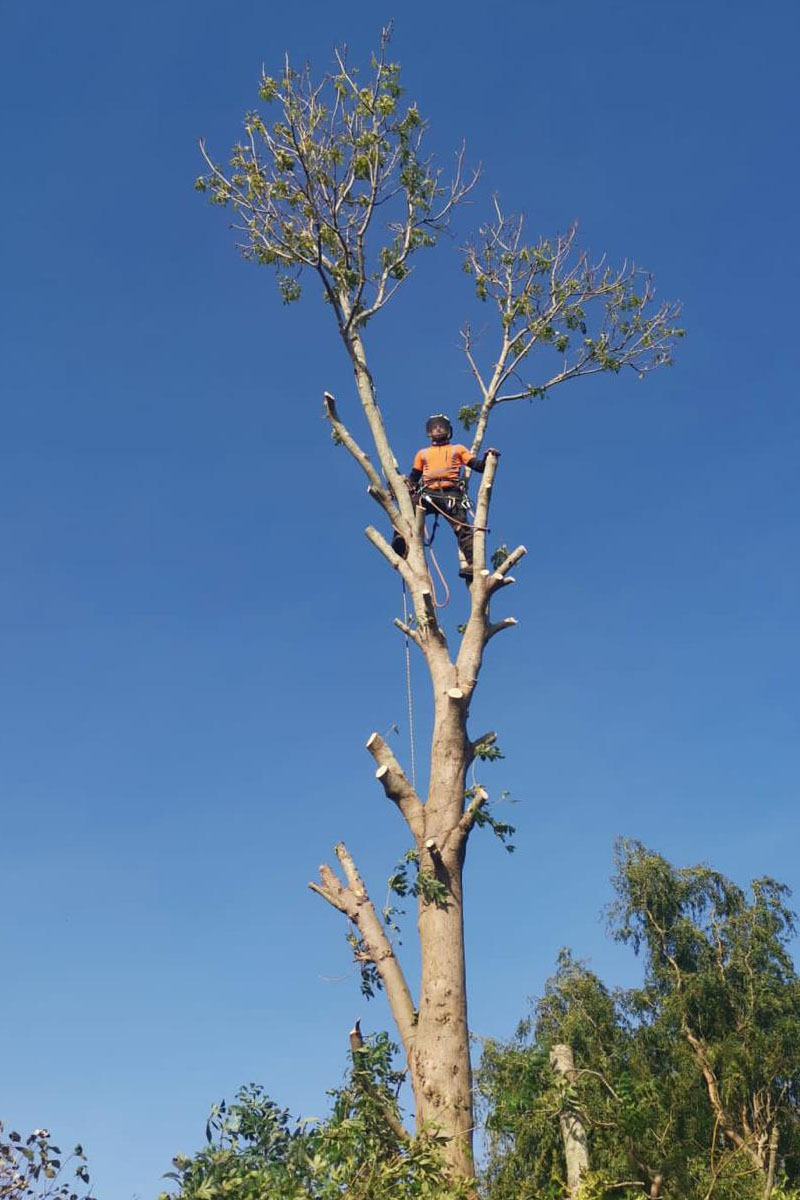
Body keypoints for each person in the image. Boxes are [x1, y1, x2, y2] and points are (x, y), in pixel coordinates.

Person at [392, 414, 500, 581]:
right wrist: (403, 487)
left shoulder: (458, 449)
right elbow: (414, 477)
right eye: (434, 427)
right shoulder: (423, 453)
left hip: (451, 493)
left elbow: (478, 466)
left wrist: (488, 457)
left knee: (462, 527)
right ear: (429, 432)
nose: (437, 430)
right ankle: (400, 540)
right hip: (428, 493)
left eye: (441, 427)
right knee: (408, 509)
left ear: (448, 431)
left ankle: (473, 564)